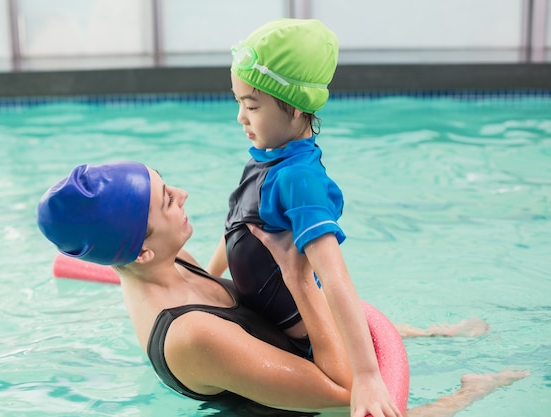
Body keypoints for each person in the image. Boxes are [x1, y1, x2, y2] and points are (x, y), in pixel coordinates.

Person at [37, 161, 528, 416]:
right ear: (141, 250)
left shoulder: (161, 260)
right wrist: (297, 273)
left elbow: (240, 291)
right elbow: (344, 391)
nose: (182, 194)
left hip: (283, 350)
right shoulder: (192, 336)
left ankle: (428, 333)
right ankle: (467, 395)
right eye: (167, 200)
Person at [206, 17, 397, 416]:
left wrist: (364, 375)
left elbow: (334, 276)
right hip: (271, 319)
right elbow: (239, 227)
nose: (240, 117)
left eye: (252, 105)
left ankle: (469, 392)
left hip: (307, 343)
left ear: (293, 109)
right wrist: (210, 281)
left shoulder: (298, 180)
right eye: (239, 103)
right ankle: (428, 333)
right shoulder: (266, 158)